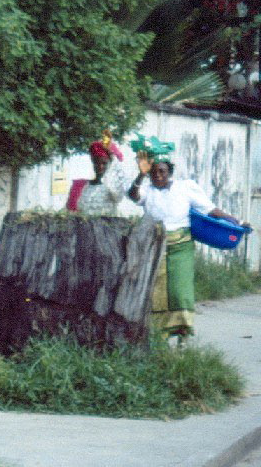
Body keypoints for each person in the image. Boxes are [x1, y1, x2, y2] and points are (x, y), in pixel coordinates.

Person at [128, 141, 242, 343]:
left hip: (181, 246)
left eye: (162, 171)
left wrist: (234, 220)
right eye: (154, 172)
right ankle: (158, 336)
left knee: (180, 291)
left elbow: (210, 210)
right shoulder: (148, 191)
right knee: (157, 291)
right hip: (155, 247)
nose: (158, 175)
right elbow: (133, 195)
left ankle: (182, 334)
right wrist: (141, 174)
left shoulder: (185, 187)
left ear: (170, 172)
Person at [66, 130, 128, 215]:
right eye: (96, 163)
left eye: (104, 163)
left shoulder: (113, 188)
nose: (100, 167)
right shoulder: (81, 186)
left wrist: (112, 155)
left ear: (110, 163)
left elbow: (119, 191)